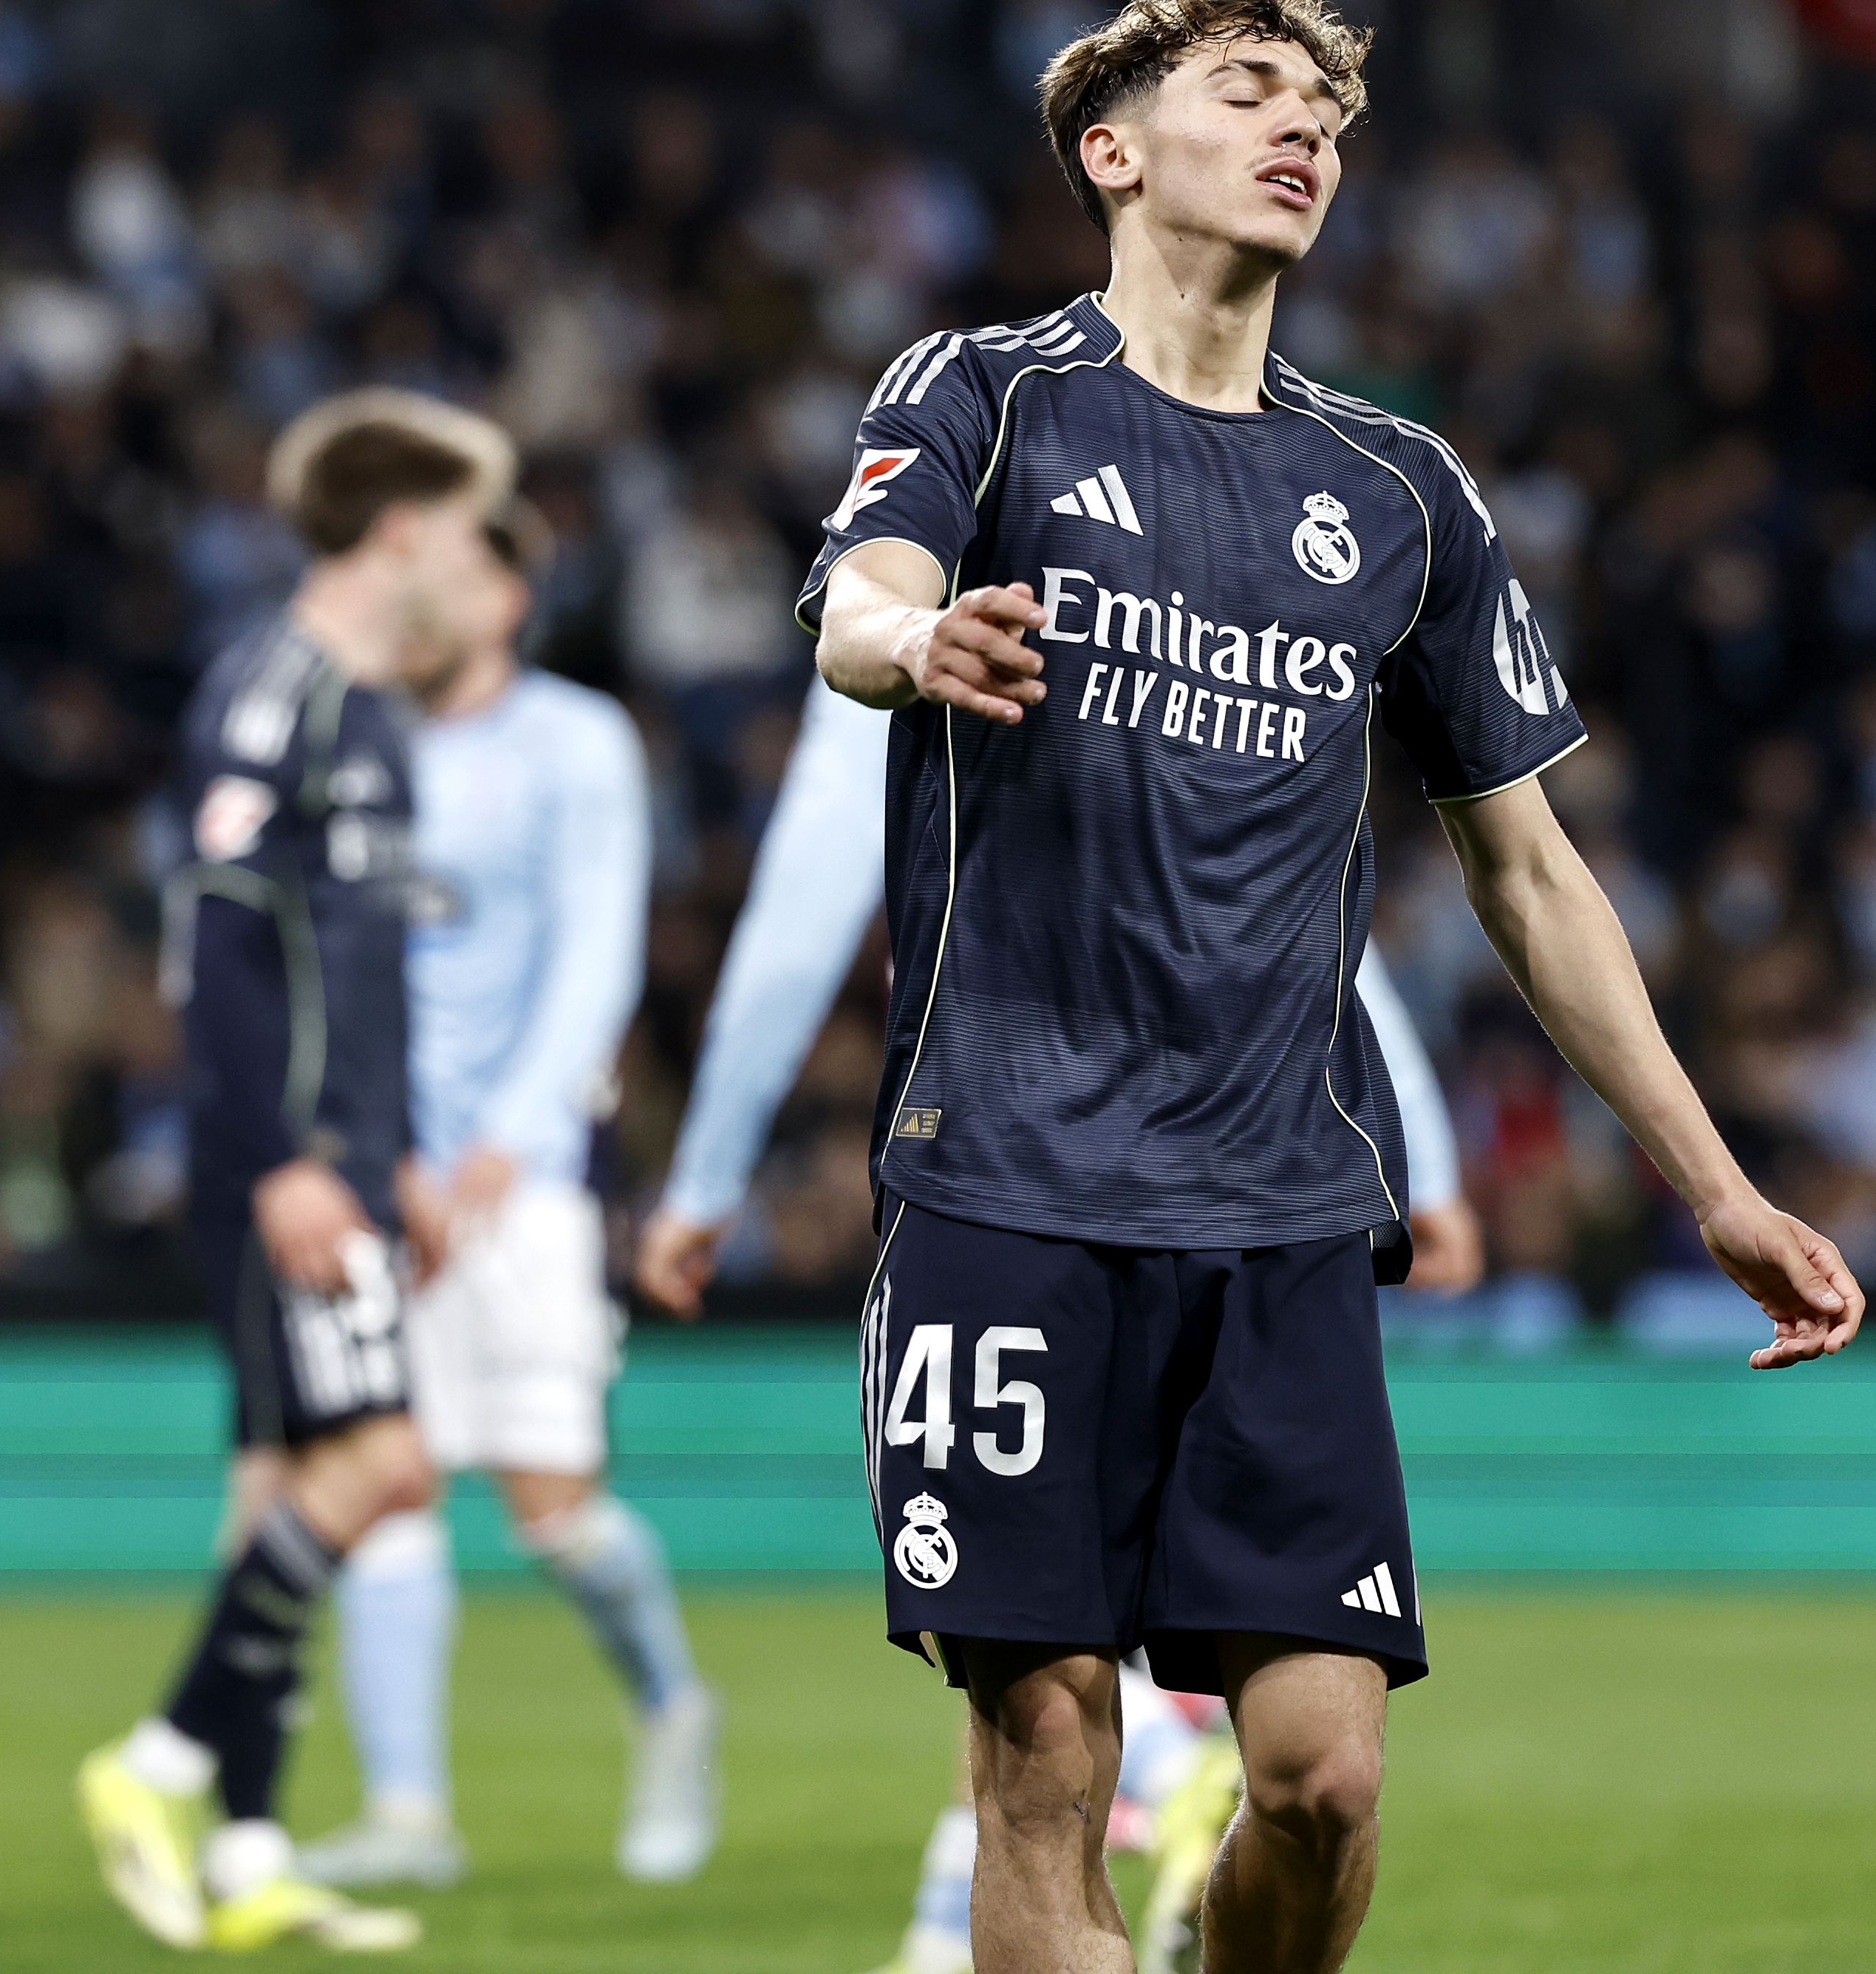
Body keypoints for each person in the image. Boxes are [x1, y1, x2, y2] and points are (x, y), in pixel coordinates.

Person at [785, 0, 1861, 1974]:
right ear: (1114, 149)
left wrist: (1716, 1184)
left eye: (1330, 116)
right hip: (1004, 1185)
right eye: (1257, 91)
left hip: (1277, 1212)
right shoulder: (984, 390)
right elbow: (864, 591)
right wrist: (914, 645)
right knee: (1045, 1750)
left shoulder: (1397, 488)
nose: (1307, 131)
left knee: (1322, 1784)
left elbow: (1531, 877)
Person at [629, 671, 1487, 1974]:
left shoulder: (1224, 577)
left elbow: (1296, 898)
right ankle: (1160, 1763)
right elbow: (813, 884)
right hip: (1012, 1200)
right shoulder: (948, 540)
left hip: (1228, 1202)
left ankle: (1169, 1761)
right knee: (1036, 1724)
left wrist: (703, 1174)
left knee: (1285, 1763)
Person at [76, 389, 524, 1951]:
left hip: (344, 1159)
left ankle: (248, 1846)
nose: (475, 554)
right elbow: (217, 952)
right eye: (465, 525)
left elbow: (349, 973)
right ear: (399, 527)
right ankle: (158, 1761)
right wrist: (286, 1163)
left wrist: (389, 1152)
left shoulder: (365, 709)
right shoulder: (275, 693)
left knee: (280, 1486)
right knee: (382, 1465)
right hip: (285, 1166)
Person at [292, 454, 717, 1893]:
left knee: (554, 1505)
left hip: (517, 1180)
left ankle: (671, 1706)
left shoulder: (576, 740)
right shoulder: (350, 733)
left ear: (512, 594)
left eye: (456, 564)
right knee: (387, 1483)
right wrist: (377, 1152)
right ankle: (410, 1812)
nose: (420, 584)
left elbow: (597, 955)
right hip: (382, 1176)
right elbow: (328, 967)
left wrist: (495, 1149)